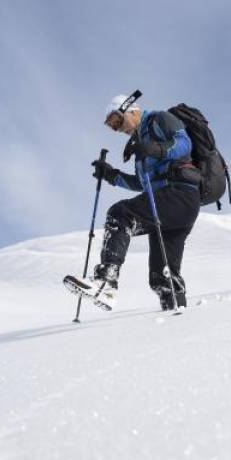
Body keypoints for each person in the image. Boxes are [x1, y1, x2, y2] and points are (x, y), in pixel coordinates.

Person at [72, 94, 202, 310]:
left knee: (121, 214)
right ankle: (177, 316)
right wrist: (112, 176)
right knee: (162, 275)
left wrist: (156, 150)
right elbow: (142, 184)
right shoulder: (138, 142)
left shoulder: (160, 120)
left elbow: (184, 143)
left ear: (131, 109)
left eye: (117, 120)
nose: (117, 128)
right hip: (168, 205)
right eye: (112, 126)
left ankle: (106, 282)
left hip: (180, 194)